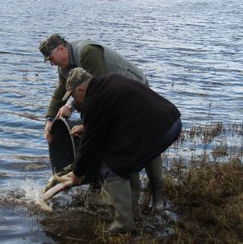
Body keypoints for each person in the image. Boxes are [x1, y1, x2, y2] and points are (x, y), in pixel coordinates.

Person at [39, 33, 165, 210]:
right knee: (106, 139)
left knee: (144, 142)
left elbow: (99, 88)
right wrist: (49, 121)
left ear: (61, 49)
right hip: (111, 100)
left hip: (134, 93)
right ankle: (101, 186)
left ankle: (157, 193)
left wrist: (74, 108)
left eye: (51, 58)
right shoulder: (64, 67)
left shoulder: (88, 52)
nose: (51, 63)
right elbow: (60, 92)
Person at [64, 68, 181, 233]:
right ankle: (133, 211)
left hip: (158, 131)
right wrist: (87, 127)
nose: (75, 100)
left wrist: (77, 172)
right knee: (125, 160)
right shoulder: (110, 79)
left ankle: (124, 222)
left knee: (110, 165)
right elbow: (114, 116)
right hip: (172, 120)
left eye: (74, 96)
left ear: (81, 89)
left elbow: (90, 144)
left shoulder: (94, 100)